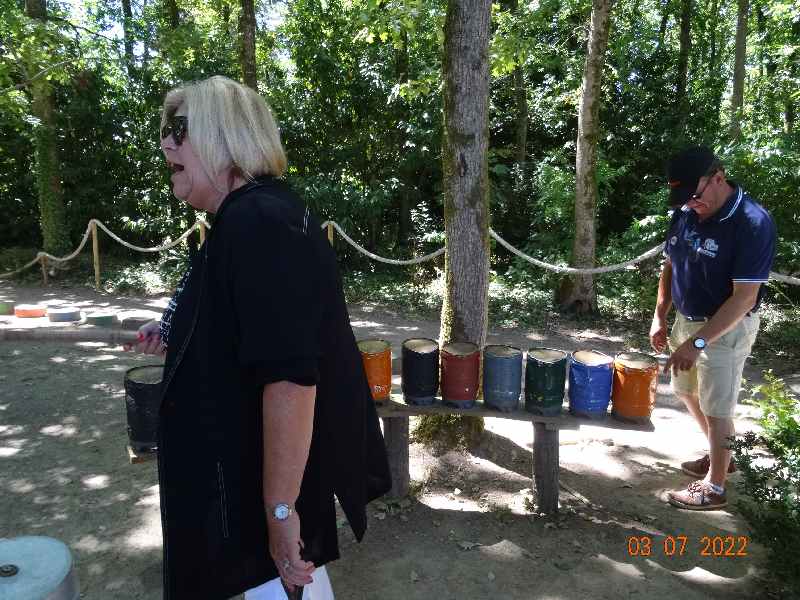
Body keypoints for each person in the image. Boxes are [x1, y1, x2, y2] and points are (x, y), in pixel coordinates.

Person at [126, 75, 392, 599]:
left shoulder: (260, 222)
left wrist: (280, 512)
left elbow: (292, 377)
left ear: (224, 137)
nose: (165, 141)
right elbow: (244, 327)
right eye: (163, 128)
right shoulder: (247, 217)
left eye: (179, 129)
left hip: (249, 517)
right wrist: (179, 330)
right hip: (238, 498)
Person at [649, 146, 776, 511]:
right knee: (687, 391)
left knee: (718, 406)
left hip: (726, 327)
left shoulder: (753, 223)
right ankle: (723, 456)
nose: (690, 205)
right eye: (684, 200)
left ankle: (715, 487)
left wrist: (699, 342)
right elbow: (671, 263)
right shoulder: (687, 212)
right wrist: (661, 314)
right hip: (686, 320)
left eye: (695, 196)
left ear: (718, 177)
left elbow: (744, 298)